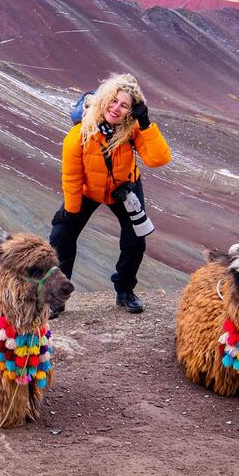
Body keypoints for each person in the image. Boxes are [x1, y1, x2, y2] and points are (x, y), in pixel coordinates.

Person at [49, 73, 171, 315]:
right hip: (88, 190)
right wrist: (71, 211)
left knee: (135, 240)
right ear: (103, 100)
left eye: (124, 105)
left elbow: (158, 159)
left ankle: (125, 291)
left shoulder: (133, 130)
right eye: (113, 101)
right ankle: (56, 297)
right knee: (62, 235)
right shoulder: (79, 135)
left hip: (124, 189)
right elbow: (72, 177)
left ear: (131, 110)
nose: (116, 108)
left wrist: (146, 124)